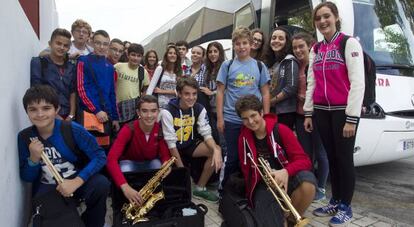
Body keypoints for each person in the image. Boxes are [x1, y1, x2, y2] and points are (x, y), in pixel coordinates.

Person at [304, 2, 365, 226]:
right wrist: (308, 113)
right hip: (321, 112)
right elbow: (312, 82)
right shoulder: (316, 49)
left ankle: (346, 207)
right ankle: (335, 200)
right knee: (331, 158)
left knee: (344, 160)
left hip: (343, 113)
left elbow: (358, 84)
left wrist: (352, 118)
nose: (322, 21)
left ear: (336, 17)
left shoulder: (348, 43)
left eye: (326, 16)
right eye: (318, 18)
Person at [18, 85, 109, 227]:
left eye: (46, 108)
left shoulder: (72, 129)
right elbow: (27, 177)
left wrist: (77, 181)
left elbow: (99, 156)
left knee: (101, 184)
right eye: (33, 109)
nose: (40, 114)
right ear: (27, 112)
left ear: (57, 109)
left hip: (77, 182)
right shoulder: (25, 137)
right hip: (48, 189)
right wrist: (33, 159)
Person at [236, 94, 316, 227]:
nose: (250, 122)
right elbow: (247, 172)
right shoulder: (243, 139)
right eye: (245, 118)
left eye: (253, 115)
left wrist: (285, 171)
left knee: (308, 182)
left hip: (287, 178)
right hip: (263, 186)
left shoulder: (282, 130)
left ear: (261, 112)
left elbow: (305, 161)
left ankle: (292, 219)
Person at [216, 26, 271, 188]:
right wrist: (220, 118)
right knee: (232, 157)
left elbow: (266, 93)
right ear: (233, 46)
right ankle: (224, 190)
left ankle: (248, 189)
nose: (241, 47)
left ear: (251, 44)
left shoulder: (260, 66)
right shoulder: (227, 65)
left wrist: (266, 117)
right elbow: (220, 92)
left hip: (254, 121)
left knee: (252, 157)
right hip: (232, 119)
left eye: (245, 43)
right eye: (238, 43)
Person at [160, 77, 223, 203]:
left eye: (194, 94)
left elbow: (206, 134)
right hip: (170, 149)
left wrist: (216, 150)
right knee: (174, 189)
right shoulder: (167, 111)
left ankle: (200, 188)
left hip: (189, 144)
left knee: (215, 149)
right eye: (187, 94)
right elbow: (171, 144)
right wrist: (183, 172)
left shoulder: (199, 108)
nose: (191, 97)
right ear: (178, 93)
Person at [107, 95, 171, 204]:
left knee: (158, 165)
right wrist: (125, 187)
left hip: (150, 163)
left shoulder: (159, 129)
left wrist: (166, 164)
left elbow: (165, 155)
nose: (149, 115)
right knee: (124, 168)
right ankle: (127, 196)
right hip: (130, 164)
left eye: (153, 111)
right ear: (138, 112)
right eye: (145, 111)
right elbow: (111, 159)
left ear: (158, 112)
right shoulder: (128, 129)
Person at [292, 32, 329, 201]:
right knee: (306, 154)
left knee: (321, 153)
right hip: (301, 116)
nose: (298, 50)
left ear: (310, 46)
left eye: (301, 46)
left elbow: (322, 89)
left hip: (316, 116)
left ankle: (321, 187)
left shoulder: (316, 64)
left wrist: (308, 99)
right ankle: (309, 185)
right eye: (295, 47)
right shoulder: (296, 66)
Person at [77, 30, 120, 145]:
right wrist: (96, 111)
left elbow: (112, 93)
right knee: (87, 151)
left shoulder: (110, 67)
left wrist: (115, 117)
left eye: (105, 44)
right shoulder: (83, 61)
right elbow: (81, 90)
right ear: (91, 42)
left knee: (104, 150)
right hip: (89, 114)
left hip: (106, 117)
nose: (101, 47)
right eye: (98, 43)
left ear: (109, 46)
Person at [30, 28, 76, 120]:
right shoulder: (39, 62)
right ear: (50, 43)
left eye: (65, 45)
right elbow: (36, 90)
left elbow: (73, 92)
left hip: (68, 116)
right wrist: (53, 114)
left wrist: (71, 115)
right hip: (46, 115)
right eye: (58, 43)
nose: (62, 47)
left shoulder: (71, 66)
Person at [265, 26, 299, 130]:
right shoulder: (274, 63)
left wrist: (270, 102)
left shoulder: (290, 61)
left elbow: (291, 88)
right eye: (274, 38)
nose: (276, 41)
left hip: (285, 112)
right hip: (272, 110)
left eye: (281, 38)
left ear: (287, 42)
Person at [114, 43, 150, 123]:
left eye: (138, 56)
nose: (135, 58)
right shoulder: (118, 66)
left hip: (133, 108)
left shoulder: (143, 72)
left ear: (141, 57)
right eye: (133, 55)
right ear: (128, 55)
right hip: (116, 106)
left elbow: (145, 89)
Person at [202, 41, 226, 145]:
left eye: (215, 51)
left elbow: (228, 88)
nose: (212, 54)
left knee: (224, 140)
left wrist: (212, 93)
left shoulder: (225, 67)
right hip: (211, 110)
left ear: (220, 53)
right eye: (210, 52)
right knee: (216, 139)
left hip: (223, 110)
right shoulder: (207, 70)